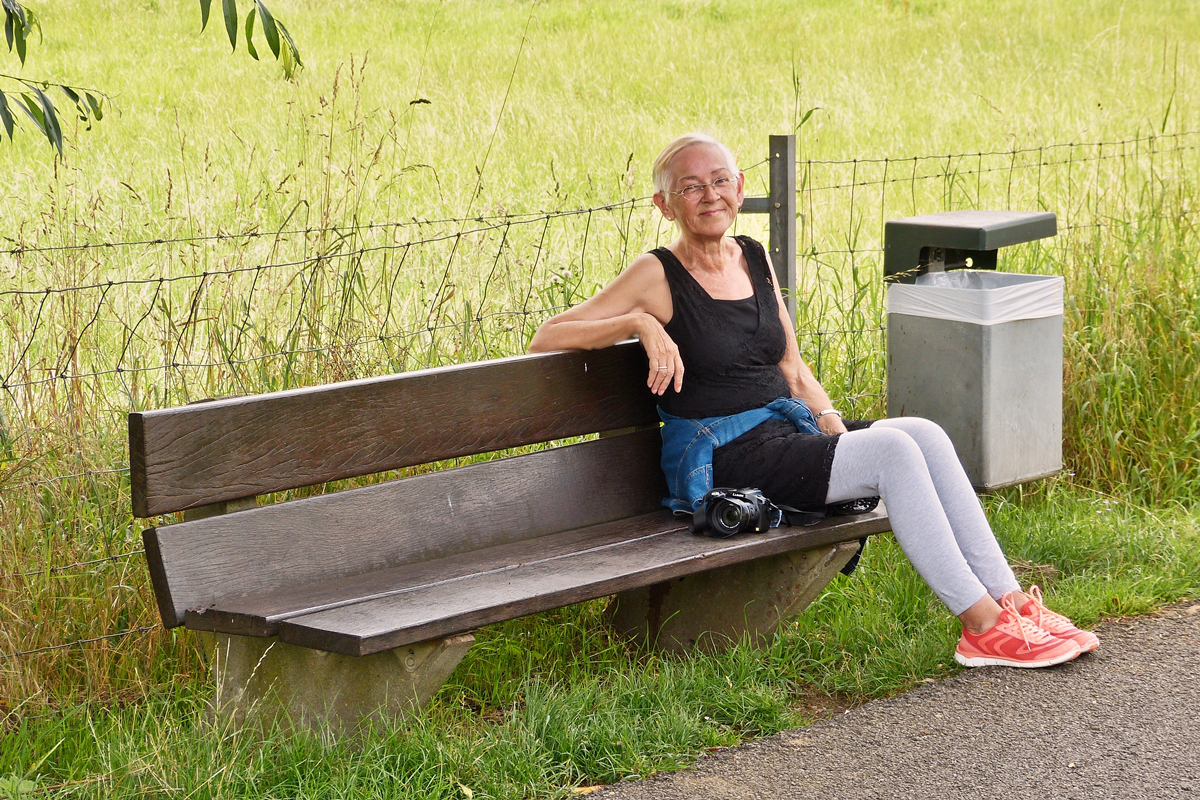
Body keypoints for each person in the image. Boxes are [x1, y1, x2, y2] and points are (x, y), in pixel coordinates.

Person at [530, 133, 1098, 668]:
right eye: (691, 186)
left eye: (720, 180)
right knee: (894, 452)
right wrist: (638, 323)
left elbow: (791, 368)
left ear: (741, 187)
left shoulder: (753, 256)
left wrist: (830, 422)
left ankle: (1013, 605)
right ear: (664, 204)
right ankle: (981, 629)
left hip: (784, 432)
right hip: (723, 457)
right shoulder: (657, 273)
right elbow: (547, 337)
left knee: (922, 432)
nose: (710, 195)